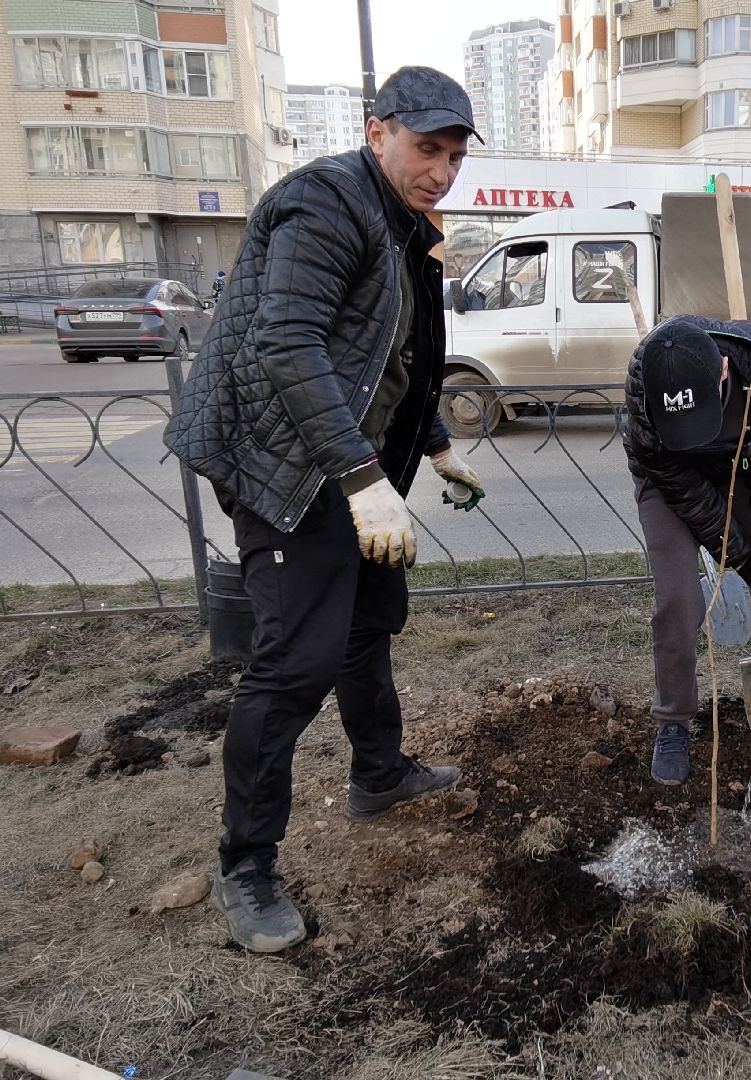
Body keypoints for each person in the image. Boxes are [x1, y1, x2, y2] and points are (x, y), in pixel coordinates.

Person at [165, 67, 488, 953]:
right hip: (286, 466)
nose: (442, 171)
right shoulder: (324, 203)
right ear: (376, 128)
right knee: (294, 662)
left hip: (359, 465)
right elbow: (287, 341)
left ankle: (378, 778)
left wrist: (430, 445)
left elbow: (406, 356)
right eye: (428, 149)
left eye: (455, 156)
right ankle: (246, 866)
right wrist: (359, 475)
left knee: (366, 625)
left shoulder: (407, 228)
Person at [624, 315, 751, 786]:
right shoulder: (643, 389)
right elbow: (683, 492)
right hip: (668, 481)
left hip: (738, 464)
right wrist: (739, 556)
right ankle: (674, 722)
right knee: (679, 598)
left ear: (722, 370)